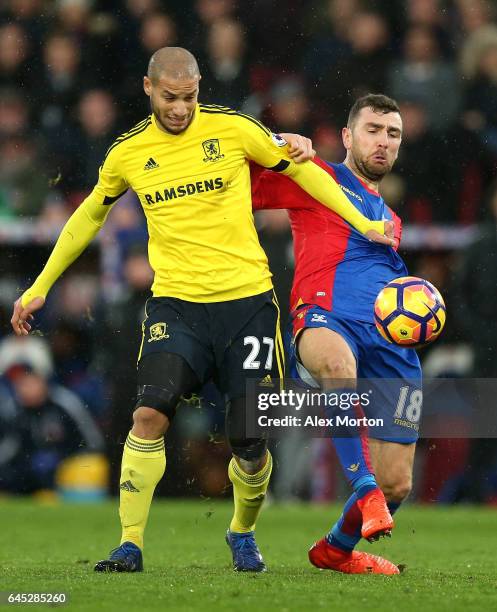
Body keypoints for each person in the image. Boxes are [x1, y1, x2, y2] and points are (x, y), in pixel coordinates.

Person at [11, 48, 394, 574]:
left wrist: (360, 220)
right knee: (149, 415)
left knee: (249, 443)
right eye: (170, 97)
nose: (180, 108)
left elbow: (307, 174)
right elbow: (86, 219)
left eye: (189, 97)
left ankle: (241, 531)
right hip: (178, 306)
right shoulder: (127, 153)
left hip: (248, 305)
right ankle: (130, 543)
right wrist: (40, 287)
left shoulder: (235, 129)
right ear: (148, 87)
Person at [251, 94, 421, 575]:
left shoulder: (391, 219)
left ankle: (336, 549)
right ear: (347, 137)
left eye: (393, 134)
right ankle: (361, 486)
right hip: (325, 318)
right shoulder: (317, 177)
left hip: (390, 345)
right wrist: (275, 145)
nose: (383, 142)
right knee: (336, 365)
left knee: (399, 486)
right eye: (373, 130)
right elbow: (244, 188)